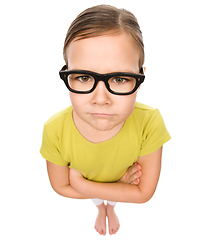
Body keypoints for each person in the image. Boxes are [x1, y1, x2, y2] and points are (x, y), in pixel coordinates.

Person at [40, 5, 171, 236]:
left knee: (109, 200)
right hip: (118, 185)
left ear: (140, 77)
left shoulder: (149, 123)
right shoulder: (55, 130)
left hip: (92, 184)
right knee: (100, 201)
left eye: (120, 78)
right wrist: (119, 186)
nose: (101, 99)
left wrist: (83, 185)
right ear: (66, 71)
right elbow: (60, 187)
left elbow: (144, 194)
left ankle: (108, 206)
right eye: (83, 77)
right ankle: (102, 208)